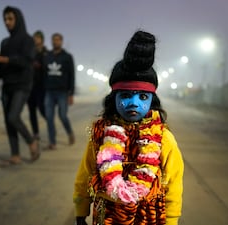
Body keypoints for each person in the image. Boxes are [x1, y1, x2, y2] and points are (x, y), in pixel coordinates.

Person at [73, 31, 184, 225]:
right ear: (113, 99)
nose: (133, 103)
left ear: (152, 101)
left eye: (142, 97)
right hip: (107, 216)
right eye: (125, 96)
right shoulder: (100, 135)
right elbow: (85, 173)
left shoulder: (163, 138)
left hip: (148, 218)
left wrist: (172, 220)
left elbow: (174, 181)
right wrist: (81, 210)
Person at [0, 6, 39, 166]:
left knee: (13, 117)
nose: (7, 22)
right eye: (5, 19)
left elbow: (25, 62)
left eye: (10, 19)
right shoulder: (5, 42)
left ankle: (31, 141)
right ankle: (15, 155)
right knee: (8, 121)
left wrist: (0, 59)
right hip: (7, 85)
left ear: (18, 19)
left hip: (22, 84)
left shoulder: (28, 40)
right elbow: (1, 68)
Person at [44, 33, 75, 150]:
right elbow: (44, 73)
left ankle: (69, 132)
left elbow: (72, 75)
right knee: (49, 117)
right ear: (51, 42)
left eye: (58, 40)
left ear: (61, 42)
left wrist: (71, 93)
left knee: (62, 115)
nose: (55, 42)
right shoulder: (47, 56)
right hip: (49, 91)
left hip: (62, 92)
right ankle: (52, 142)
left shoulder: (67, 57)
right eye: (53, 40)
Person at [27, 30, 47, 140]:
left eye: (37, 38)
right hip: (30, 86)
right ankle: (35, 133)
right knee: (31, 110)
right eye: (34, 38)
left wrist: (40, 65)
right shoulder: (30, 52)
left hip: (41, 86)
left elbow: (48, 67)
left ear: (41, 39)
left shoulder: (46, 52)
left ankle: (50, 126)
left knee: (42, 108)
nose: (35, 40)